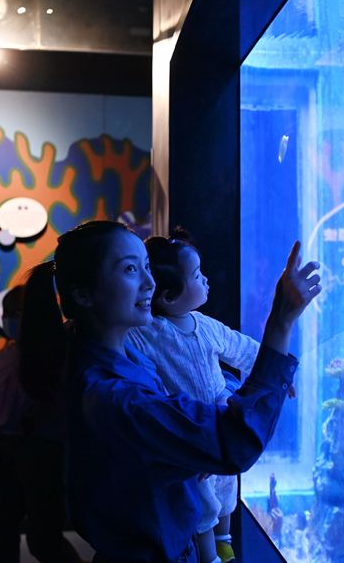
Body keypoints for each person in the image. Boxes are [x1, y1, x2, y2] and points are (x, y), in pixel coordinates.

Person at [19, 220, 320, 563]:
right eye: (130, 269)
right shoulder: (112, 397)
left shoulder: (120, 357)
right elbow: (235, 443)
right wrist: (280, 321)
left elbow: (200, 381)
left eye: (146, 267)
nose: (149, 282)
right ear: (83, 294)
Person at [128, 229, 290, 563]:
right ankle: (208, 556)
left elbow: (242, 349)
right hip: (189, 434)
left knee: (227, 486)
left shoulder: (205, 325)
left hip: (219, 424)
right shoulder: (148, 332)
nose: (206, 280)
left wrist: (280, 374)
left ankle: (225, 540)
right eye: (198, 275)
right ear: (169, 295)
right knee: (201, 500)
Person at [0, 286, 85, 563]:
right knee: (2, 537)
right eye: (8, 313)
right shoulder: (0, 359)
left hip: (44, 457)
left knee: (44, 539)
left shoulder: (58, 356)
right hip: (2, 457)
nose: (12, 319)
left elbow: (70, 406)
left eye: (18, 312)